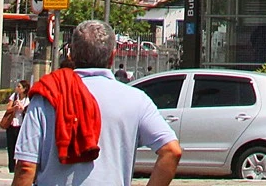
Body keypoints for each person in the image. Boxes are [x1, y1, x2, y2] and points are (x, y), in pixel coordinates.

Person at [12, 20, 181, 186]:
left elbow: (26, 167)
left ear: (71, 55)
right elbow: (171, 152)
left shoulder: (47, 95)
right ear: (113, 55)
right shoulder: (136, 99)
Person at [0, 79, 31, 175]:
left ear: (24, 89)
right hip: (12, 124)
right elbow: (8, 108)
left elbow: (29, 112)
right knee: (11, 147)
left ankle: (20, 168)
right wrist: (14, 107)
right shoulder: (14, 96)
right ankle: (12, 168)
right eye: (17, 86)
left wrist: (22, 108)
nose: (17, 88)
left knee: (21, 148)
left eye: (19, 87)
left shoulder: (28, 99)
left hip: (22, 126)